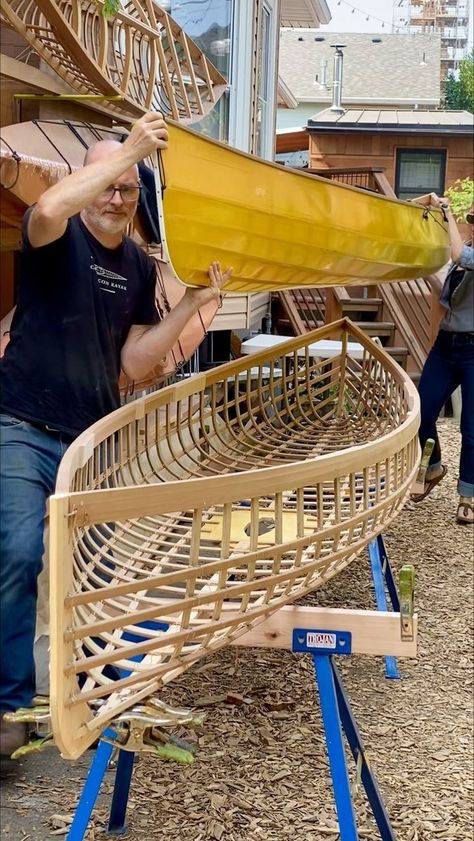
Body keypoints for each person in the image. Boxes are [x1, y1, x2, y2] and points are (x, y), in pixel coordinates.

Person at [0, 111, 232, 756]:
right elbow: (47, 206)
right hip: (21, 425)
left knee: (102, 574)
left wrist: (190, 303)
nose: (116, 197)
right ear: (87, 178)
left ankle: (100, 697)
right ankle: (10, 706)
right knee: (17, 556)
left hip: (89, 443)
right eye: (107, 183)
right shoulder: (54, 235)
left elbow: (133, 363)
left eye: (129, 188)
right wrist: (122, 152)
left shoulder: (133, 266)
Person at [411, 193, 473, 525]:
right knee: (422, 410)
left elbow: (457, 253)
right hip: (446, 345)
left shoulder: (467, 255)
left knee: (472, 428)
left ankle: (467, 496)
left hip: (473, 351)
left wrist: (447, 211)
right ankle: (433, 468)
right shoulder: (467, 254)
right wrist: (430, 201)